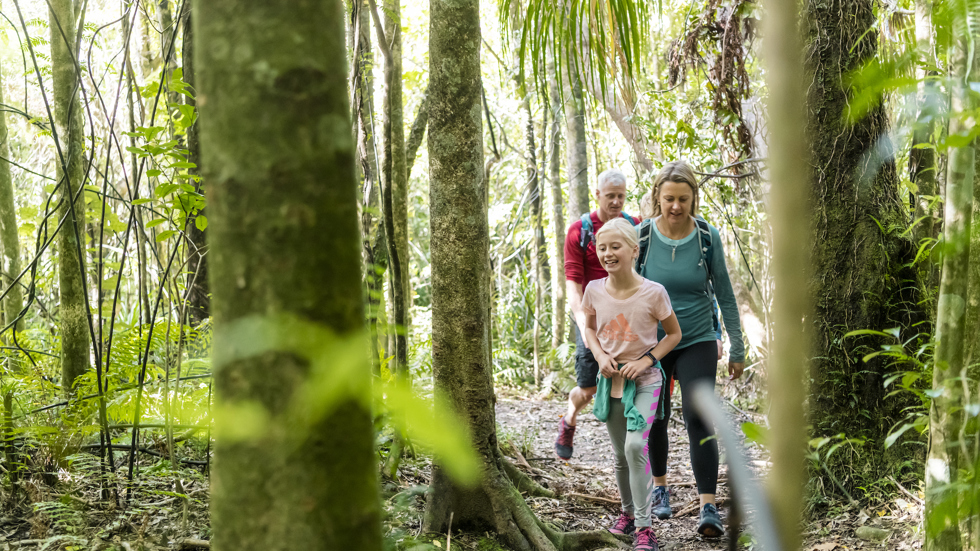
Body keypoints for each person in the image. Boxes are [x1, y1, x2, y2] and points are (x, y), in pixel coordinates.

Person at [636, 161, 745, 537]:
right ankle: (661, 489)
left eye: (683, 199)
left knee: (699, 416)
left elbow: (726, 296)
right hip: (654, 342)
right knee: (657, 416)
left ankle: (708, 506)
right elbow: (626, 291)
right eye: (669, 199)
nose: (676, 206)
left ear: (693, 198)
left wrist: (737, 346)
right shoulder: (643, 237)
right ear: (658, 198)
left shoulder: (706, 236)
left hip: (697, 337)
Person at [583, 218, 681, 551]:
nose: (607, 253)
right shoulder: (593, 290)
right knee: (619, 455)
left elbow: (674, 334)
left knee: (635, 447)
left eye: (615, 247)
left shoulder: (654, 293)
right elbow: (589, 329)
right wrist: (599, 355)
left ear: (633, 250)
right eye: (602, 247)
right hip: (610, 382)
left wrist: (647, 360)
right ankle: (626, 514)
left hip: (647, 381)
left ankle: (644, 528)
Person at [556, 169, 640, 460]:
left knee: (633, 377)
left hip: (627, 315)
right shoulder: (580, 232)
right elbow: (573, 284)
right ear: (598, 195)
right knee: (589, 387)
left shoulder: (635, 227)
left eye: (621, 196)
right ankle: (569, 417)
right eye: (610, 196)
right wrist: (584, 324)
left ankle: (631, 447)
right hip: (590, 316)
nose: (616, 202)